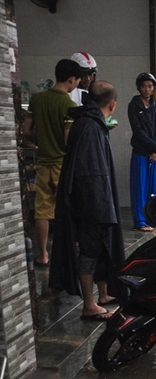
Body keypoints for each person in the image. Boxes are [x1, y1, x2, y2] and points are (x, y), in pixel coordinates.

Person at [49, 80, 125, 320]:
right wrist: (102, 209)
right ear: (112, 105)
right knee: (91, 251)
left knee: (102, 249)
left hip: (95, 200)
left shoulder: (89, 123)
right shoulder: (90, 128)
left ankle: (103, 295)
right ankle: (89, 305)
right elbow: (91, 175)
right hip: (92, 203)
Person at [23, 59, 82, 267]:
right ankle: (72, 248)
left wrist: (42, 142)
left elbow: (26, 130)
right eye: (77, 81)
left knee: (42, 211)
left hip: (42, 164)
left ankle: (43, 255)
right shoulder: (68, 104)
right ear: (71, 79)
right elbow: (68, 138)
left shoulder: (37, 99)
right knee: (68, 208)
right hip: (62, 164)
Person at [128, 72, 156, 231]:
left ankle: (152, 219)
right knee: (139, 189)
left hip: (155, 156)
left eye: (150, 86)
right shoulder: (134, 105)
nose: (147, 89)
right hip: (141, 153)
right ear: (138, 87)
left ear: (153, 88)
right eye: (143, 86)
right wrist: (153, 147)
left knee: (153, 191)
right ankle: (140, 221)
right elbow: (138, 131)